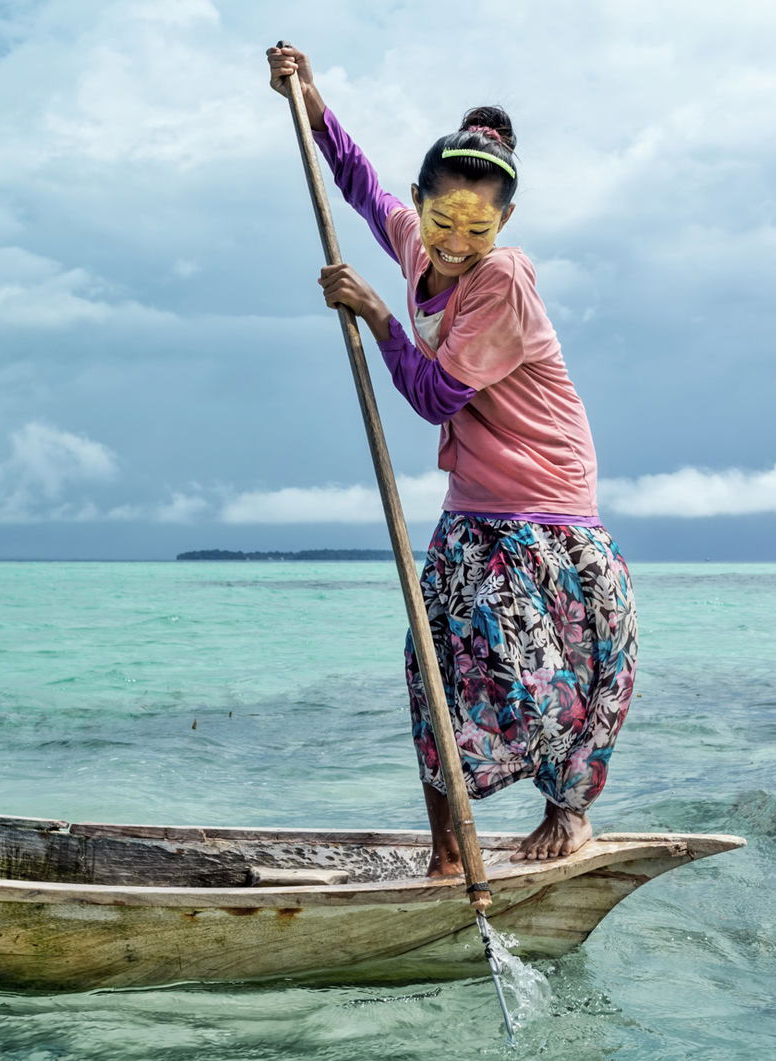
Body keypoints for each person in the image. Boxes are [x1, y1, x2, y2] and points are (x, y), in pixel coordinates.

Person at [266, 45, 636, 867]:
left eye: (478, 227)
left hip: (546, 498)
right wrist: (312, 101)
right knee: (431, 664)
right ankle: (445, 852)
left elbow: (435, 397)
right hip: (472, 502)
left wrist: (375, 315)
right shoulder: (416, 244)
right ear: (425, 204)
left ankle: (568, 814)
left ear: (501, 225)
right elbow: (361, 185)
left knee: (560, 680)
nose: (456, 243)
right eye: (441, 221)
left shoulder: (503, 279)